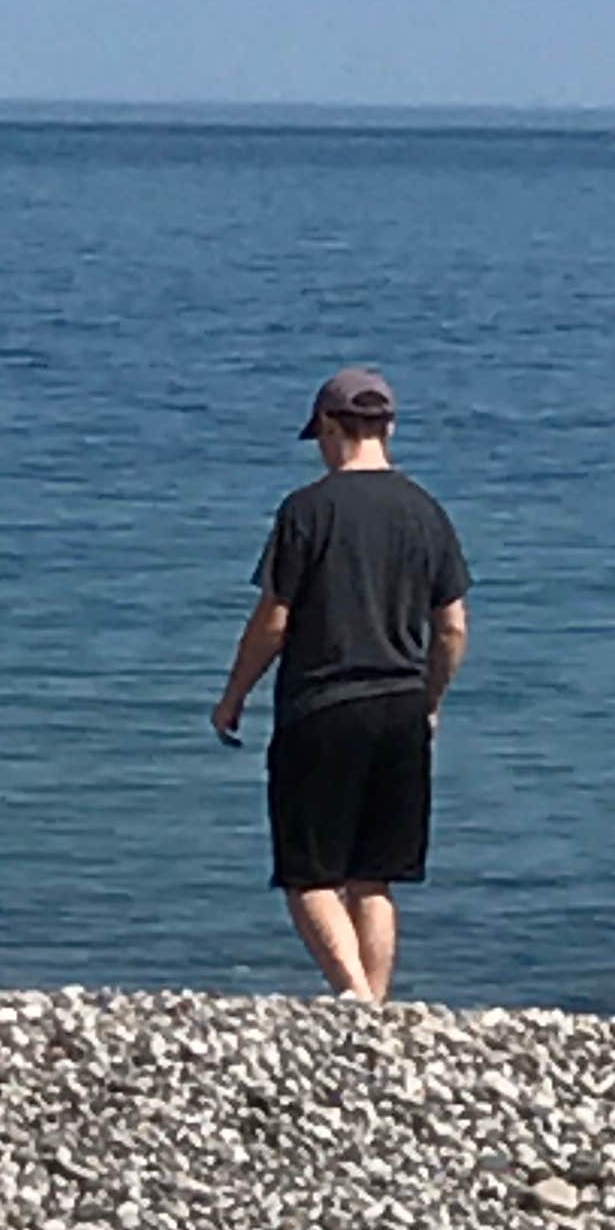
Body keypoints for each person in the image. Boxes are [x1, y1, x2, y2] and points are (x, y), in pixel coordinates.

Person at [210, 365, 468, 1003]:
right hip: (403, 708)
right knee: (373, 878)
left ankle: (354, 997)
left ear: (330, 426)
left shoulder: (307, 510)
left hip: (322, 708)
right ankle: (374, 1009)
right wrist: (430, 701)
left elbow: (274, 620)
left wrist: (233, 696)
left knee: (309, 874)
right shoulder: (426, 512)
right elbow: (453, 629)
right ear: (389, 427)